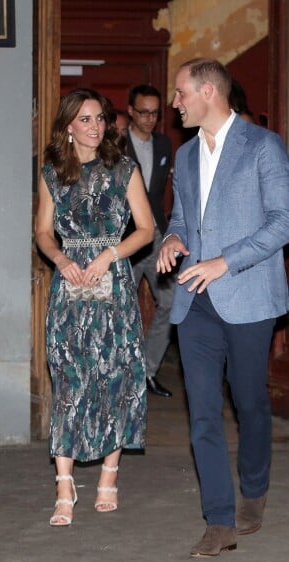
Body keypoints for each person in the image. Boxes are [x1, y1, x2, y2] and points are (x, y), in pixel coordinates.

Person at [158, 58, 289, 558]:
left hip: (249, 294)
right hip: (196, 301)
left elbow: (282, 222)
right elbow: (180, 216)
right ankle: (219, 518)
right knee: (204, 412)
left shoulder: (262, 146)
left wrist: (223, 262)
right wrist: (173, 239)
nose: (176, 103)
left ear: (208, 91)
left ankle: (253, 488)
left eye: (181, 93)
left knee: (250, 401)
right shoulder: (187, 155)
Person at [35, 88, 154, 526]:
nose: (95, 127)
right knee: (69, 377)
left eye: (100, 119)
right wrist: (62, 258)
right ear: (68, 125)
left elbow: (146, 229)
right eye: (85, 120)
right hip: (70, 286)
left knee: (116, 375)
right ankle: (64, 485)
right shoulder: (52, 173)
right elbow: (43, 232)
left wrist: (108, 255)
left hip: (114, 284)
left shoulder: (123, 170)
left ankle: (109, 473)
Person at [126, 84, 174, 398]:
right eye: (143, 111)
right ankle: (124, 375)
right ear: (131, 110)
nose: (149, 118)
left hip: (157, 234)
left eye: (155, 112)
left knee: (172, 303)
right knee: (122, 309)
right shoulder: (114, 145)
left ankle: (147, 371)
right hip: (125, 238)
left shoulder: (164, 143)